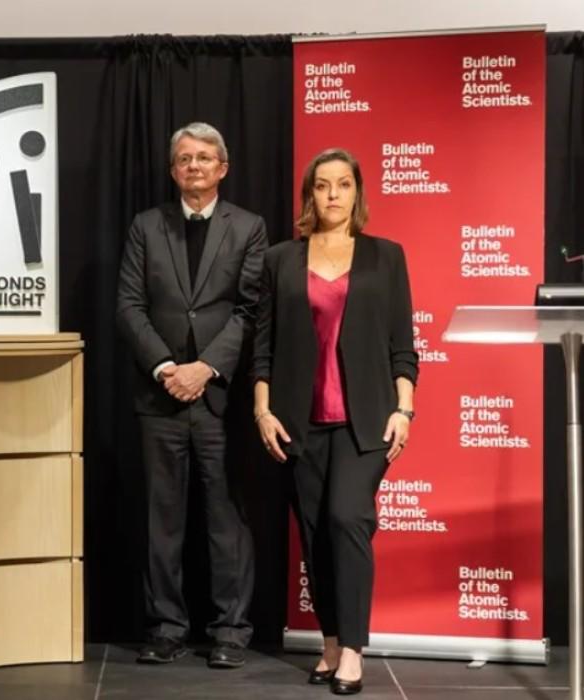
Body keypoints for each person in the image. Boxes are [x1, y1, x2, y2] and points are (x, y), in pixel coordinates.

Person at [253, 148, 417, 696]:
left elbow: (403, 345)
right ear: (310, 195)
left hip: (365, 421)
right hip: (301, 420)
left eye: (343, 185)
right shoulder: (280, 260)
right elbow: (264, 347)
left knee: (348, 518)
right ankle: (328, 639)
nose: (332, 196)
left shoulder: (386, 257)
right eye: (322, 186)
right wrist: (261, 408)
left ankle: (353, 648)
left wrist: (405, 408)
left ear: (357, 192)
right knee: (317, 533)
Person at [116, 122, 266, 669]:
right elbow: (129, 307)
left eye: (205, 158)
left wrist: (203, 369)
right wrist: (165, 368)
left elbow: (250, 309)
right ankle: (167, 626)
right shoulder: (145, 226)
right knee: (164, 520)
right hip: (159, 398)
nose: (194, 166)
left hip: (219, 398)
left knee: (227, 519)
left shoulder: (248, 227)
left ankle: (230, 630)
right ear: (172, 169)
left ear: (222, 168)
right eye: (184, 158)